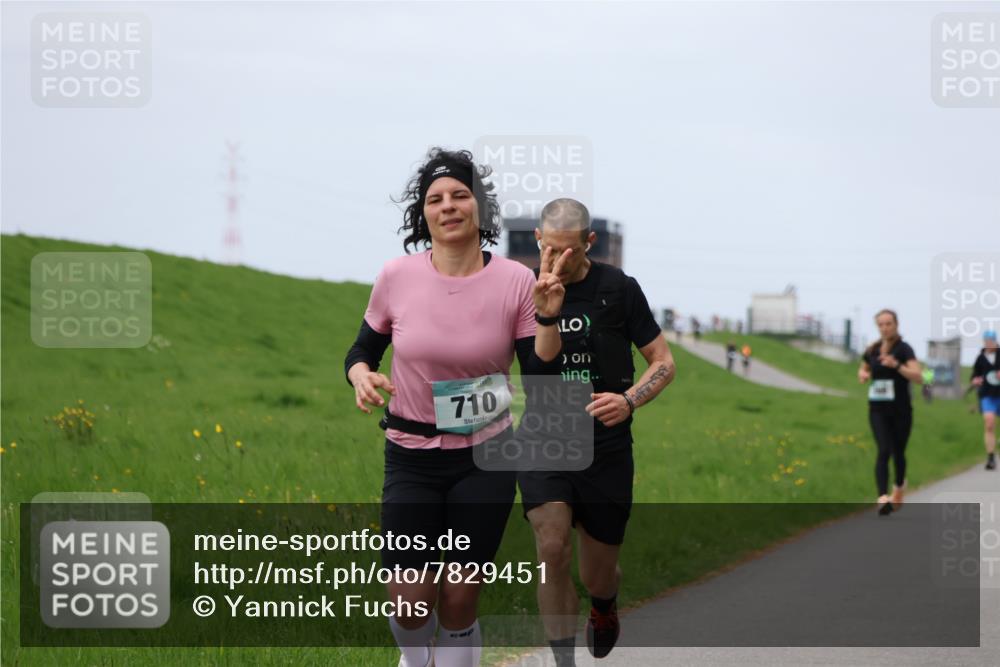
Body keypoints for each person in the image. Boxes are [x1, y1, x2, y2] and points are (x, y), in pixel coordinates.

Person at [344, 148, 570, 667]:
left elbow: (539, 375)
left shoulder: (516, 280)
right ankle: (415, 660)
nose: (448, 206)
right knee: (408, 601)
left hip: (484, 454)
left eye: (460, 196)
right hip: (410, 454)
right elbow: (362, 351)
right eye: (435, 199)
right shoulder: (396, 277)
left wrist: (549, 319)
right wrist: (360, 374)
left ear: (479, 208)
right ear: (422, 214)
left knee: (459, 597)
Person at [518, 198, 676, 666]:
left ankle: (603, 607)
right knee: (551, 546)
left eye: (571, 251)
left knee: (598, 574)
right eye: (551, 249)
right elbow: (529, 366)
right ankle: (563, 661)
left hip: (605, 446)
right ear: (538, 241)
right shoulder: (523, 291)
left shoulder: (620, 289)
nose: (560, 261)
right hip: (544, 438)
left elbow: (663, 363)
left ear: (590, 242)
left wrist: (629, 401)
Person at [856, 309, 924, 515]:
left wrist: (897, 366)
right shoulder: (873, 350)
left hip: (901, 409)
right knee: (883, 450)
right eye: (881, 324)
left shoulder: (904, 349)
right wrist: (863, 373)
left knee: (898, 453)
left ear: (896, 325)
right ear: (878, 327)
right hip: (877, 408)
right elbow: (864, 368)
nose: (885, 328)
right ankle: (883, 498)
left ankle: (899, 487)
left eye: (889, 324)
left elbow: (920, 377)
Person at [971, 330, 1000, 470]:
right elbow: (974, 375)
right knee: (989, 423)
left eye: (991, 340)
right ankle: (991, 457)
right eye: (987, 341)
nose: (989, 343)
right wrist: (975, 380)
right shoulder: (980, 358)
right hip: (987, 395)